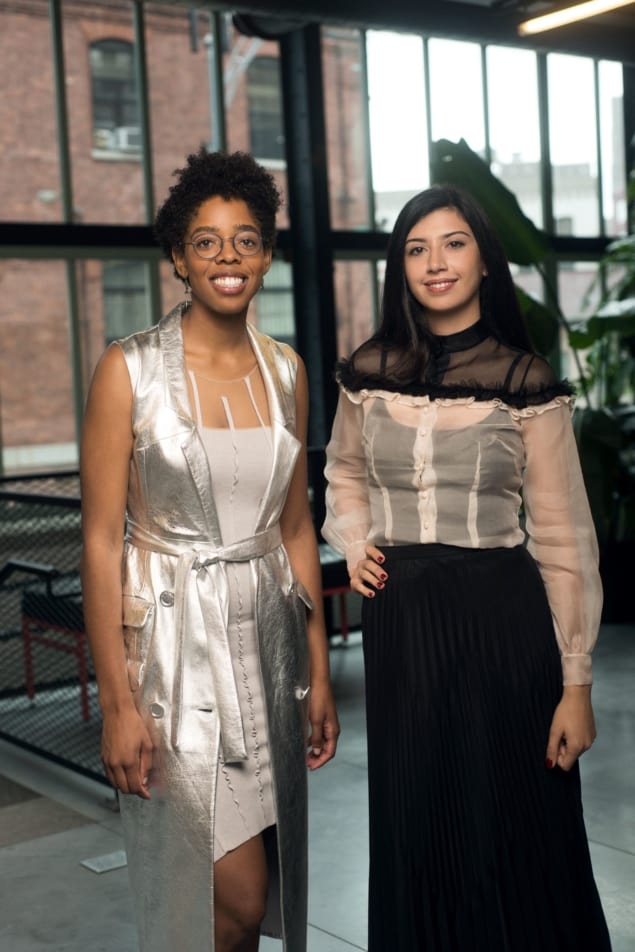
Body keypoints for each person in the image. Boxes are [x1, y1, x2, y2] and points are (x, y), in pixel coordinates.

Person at [322, 185, 611, 951]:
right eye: (415, 249)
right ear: (399, 267)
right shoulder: (367, 370)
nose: (434, 263)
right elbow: (343, 475)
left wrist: (574, 685)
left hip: (502, 623)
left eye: (452, 243)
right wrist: (355, 544)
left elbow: (562, 536)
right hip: (404, 623)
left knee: (515, 823)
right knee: (418, 820)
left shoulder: (524, 380)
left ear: (483, 259)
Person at [80, 148, 339, 952]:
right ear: (177, 259)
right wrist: (117, 706)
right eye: (206, 241)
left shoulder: (286, 371)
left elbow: (296, 527)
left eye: (246, 239)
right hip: (171, 655)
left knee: (247, 896)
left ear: (265, 255)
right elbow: (97, 541)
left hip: (266, 653)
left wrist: (318, 671)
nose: (228, 257)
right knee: (233, 892)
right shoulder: (128, 371)